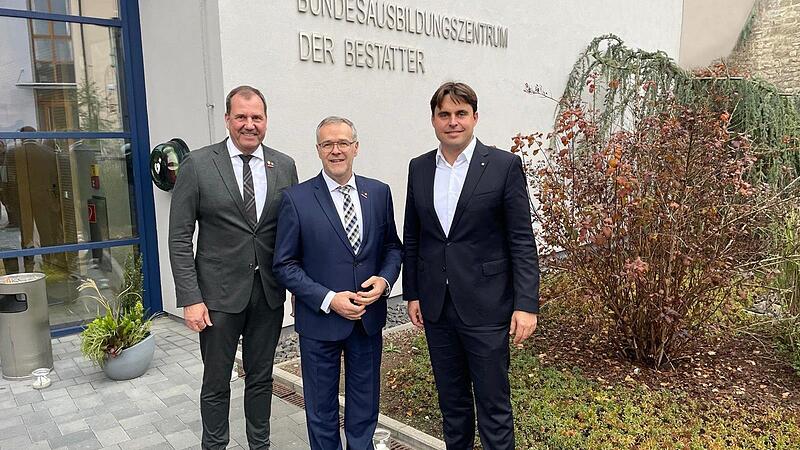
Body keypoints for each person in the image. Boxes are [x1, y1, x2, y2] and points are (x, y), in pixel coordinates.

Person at [402, 82, 540, 449]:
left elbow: (522, 240)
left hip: (487, 306)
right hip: (437, 307)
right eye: (444, 114)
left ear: (475, 118)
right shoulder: (418, 168)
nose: (452, 122)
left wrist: (526, 304)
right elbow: (414, 237)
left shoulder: (503, 166)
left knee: (493, 407)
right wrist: (413, 293)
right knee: (453, 406)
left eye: (461, 113)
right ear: (433, 119)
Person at [168, 85, 298, 450]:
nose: (249, 124)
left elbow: (293, 233)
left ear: (266, 121)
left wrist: (298, 290)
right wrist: (191, 298)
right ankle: (215, 445)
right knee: (216, 382)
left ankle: (260, 444)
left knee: (261, 378)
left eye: (256, 117)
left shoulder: (284, 165)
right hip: (217, 297)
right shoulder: (198, 165)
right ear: (227, 119)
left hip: (268, 294)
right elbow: (179, 237)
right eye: (241, 117)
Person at [273, 116, 402, 450]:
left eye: (343, 142)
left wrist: (385, 282)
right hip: (319, 324)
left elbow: (392, 248)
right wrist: (329, 299)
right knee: (320, 411)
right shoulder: (296, 199)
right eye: (327, 144)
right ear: (318, 150)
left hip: (367, 322)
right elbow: (285, 264)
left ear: (355, 148)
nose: (336, 150)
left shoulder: (378, 192)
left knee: (364, 408)